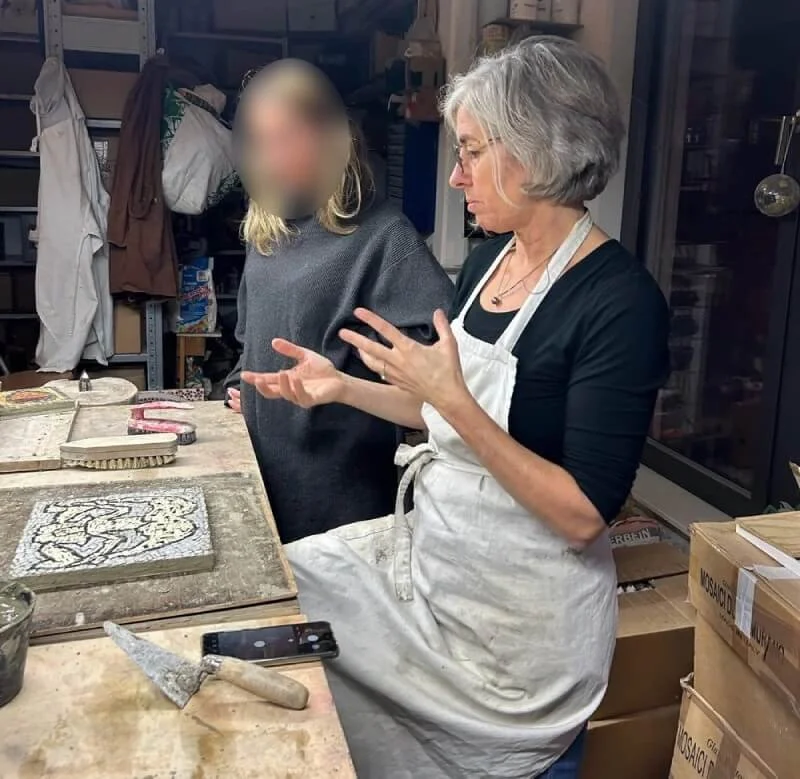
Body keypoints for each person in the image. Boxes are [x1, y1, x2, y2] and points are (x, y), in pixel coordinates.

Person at [243, 37, 670, 778]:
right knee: (280, 593)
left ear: (534, 152)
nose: (455, 174)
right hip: (443, 573)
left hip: (519, 633)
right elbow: (436, 412)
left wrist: (454, 404)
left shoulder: (620, 303)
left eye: (471, 152)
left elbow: (581, 512)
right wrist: (341, 387)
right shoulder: (487, 262)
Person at [225, 61, 453, 543]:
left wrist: (349, 386)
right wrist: (238, 389)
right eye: (261, 141)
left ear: (334, 138)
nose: (273, 156)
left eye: (287, 136)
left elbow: (443, 383)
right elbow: (251, 343)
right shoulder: (267, 234)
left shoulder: (385, 239)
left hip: (343, 505)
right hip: (261, 480)